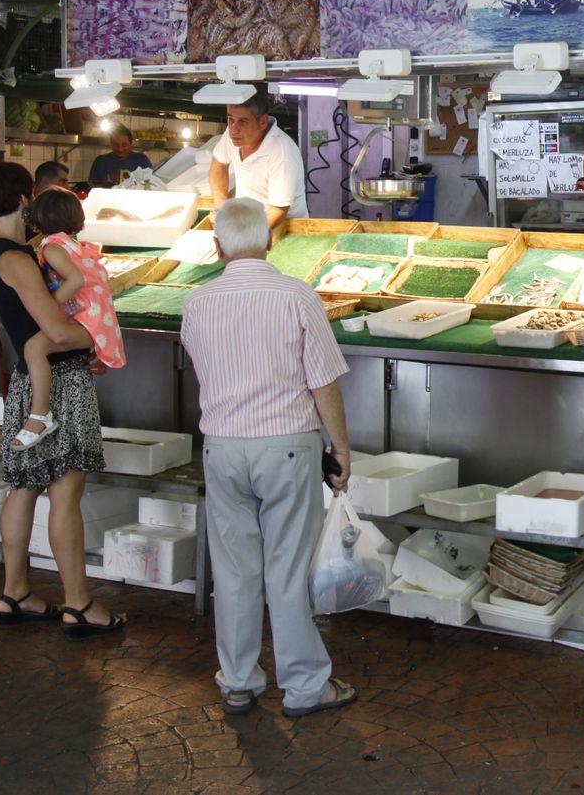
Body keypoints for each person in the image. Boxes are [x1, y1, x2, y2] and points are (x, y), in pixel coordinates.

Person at [180, 198, 356, 718]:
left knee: (233, 571)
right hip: (286, 447)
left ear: (217, 247)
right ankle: (304, 687)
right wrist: (341, 447)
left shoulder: (197, 302)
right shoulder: (295, 296)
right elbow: (322, 382)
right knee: (288, 569)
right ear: (270, 240)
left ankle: (237, 680)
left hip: (223, 448)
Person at [0, 161, 124, 638]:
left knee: (24, 486)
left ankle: (16, 592)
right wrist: (98, 338)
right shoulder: (15, 258)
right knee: (63, 494)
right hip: (59, 384)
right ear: (21, 200)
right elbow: (54, 330)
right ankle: (78, 603)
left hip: (25, 380)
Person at [16, 189, 127, 450]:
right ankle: (40, 416)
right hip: (93, 319)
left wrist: (48, 305)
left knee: (34, 348)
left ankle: (39, 416)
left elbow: (75, 280)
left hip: (86, 319)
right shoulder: (69, 243)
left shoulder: (53, 247)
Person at [209, 91, 306, 230]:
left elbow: (278, 210)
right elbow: (218, 165)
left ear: (263, 122)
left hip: (285, 228)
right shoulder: (235, 133)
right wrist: (221, 209)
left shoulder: (282, 153)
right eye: (230, 119)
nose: (233, 129)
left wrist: (243, 237)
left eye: (243, 122)